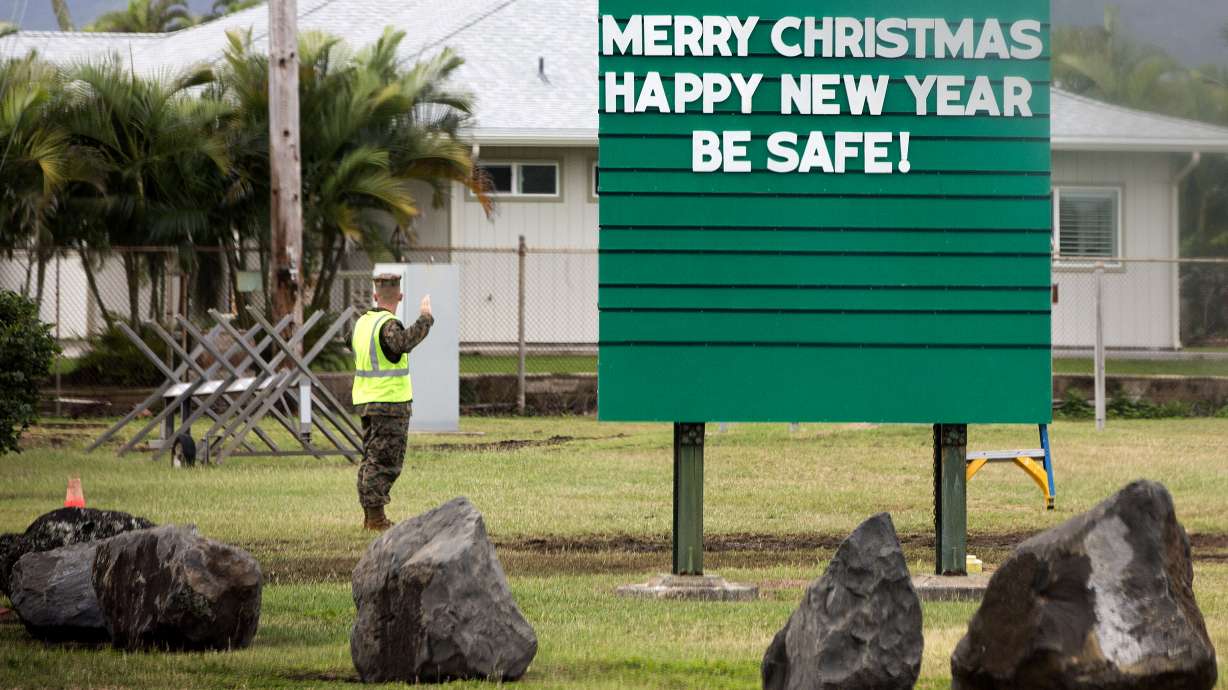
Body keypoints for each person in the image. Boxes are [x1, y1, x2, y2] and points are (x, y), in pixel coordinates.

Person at [351, 273, 433, 530]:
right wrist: (425, 319)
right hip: (389, 403)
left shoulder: (362, 323)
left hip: (366, 400)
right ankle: (375, 519)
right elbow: (402, 343)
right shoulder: (388, 325)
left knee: (371, 458)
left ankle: (371, 516)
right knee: (384, 461)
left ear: (375, 296)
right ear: (400, 296)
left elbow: (350, 344)